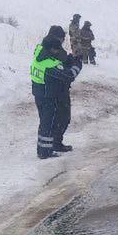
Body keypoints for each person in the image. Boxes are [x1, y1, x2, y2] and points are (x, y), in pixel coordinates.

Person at [30, 25, 82, 159]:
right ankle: (44, 152)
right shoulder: (49, 63)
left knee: (62, 118)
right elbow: (69, 75)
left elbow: (61, 57)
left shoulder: (44, 47)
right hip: (47, 94)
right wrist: (77, 65)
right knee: (48, 123)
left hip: (52, 92)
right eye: (61, 40)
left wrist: (69, 59)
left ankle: (56, 144)